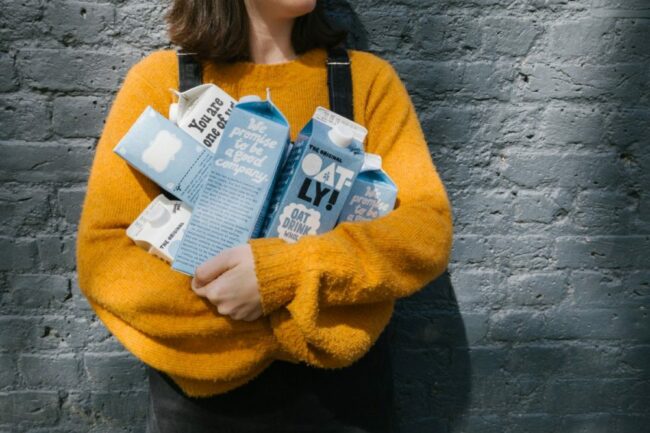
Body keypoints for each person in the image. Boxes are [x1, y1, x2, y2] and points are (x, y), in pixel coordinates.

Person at [75, 0, 453, 432]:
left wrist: (283, 275)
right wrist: (292, 320)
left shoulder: (366, 82)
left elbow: (426, 229)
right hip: (205, 408)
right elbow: (104, 255)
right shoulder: (160, 83)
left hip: (342, 405)